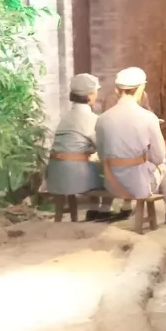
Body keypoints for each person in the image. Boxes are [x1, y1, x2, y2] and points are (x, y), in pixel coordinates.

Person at [95, 67, 166, 225]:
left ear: (117, 89)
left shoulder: (102, 119)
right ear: (141, 88)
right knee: (162, 167)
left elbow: (101, 155)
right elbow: (159, 156)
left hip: (111, 185)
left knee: (133, 166)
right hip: (138, 186)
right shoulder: (148, 118)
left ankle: (118, 207)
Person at [46, 73, 120, 222]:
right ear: (90, 94)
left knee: (93, 166)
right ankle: (104, 210)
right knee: (114, 172)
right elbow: (104, 149)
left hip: (54, 174)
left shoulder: (65, 117)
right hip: (74, 174)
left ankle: (93, 209)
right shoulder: (91, 119)